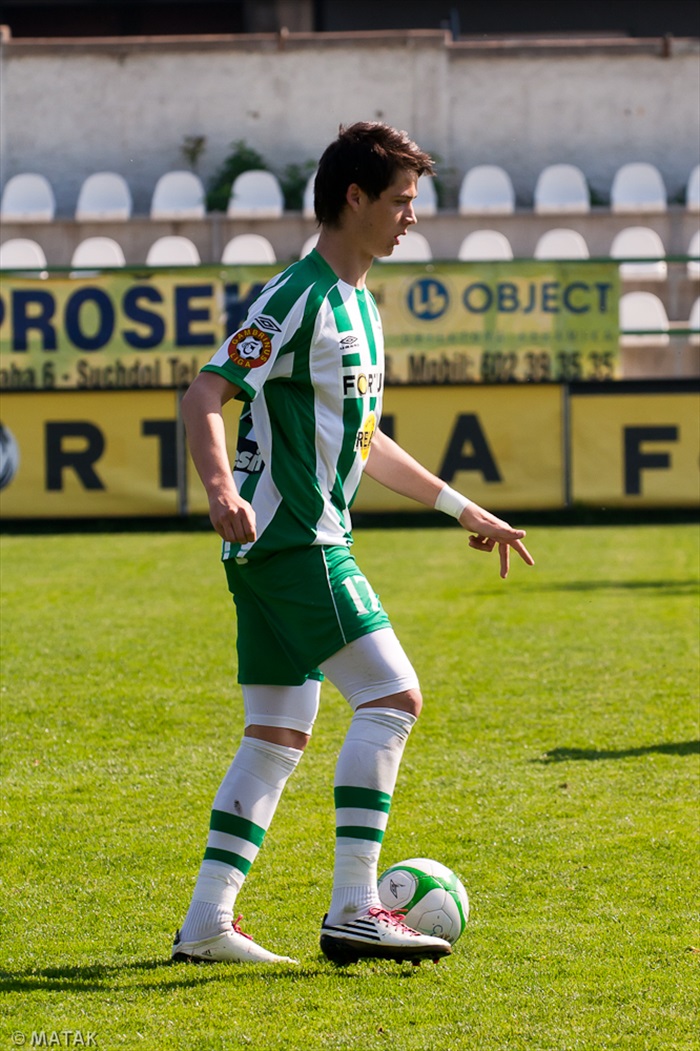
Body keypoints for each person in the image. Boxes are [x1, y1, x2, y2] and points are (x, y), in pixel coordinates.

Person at [172, 122, 534, 967]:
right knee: (393, 699)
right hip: (296, 540)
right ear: (355, 197)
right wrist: (222, 490)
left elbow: (363, 440)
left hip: (278, 548)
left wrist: (460, 508)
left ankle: (206, 924)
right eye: (401, 199)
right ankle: (355, 908)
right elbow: (204, 394)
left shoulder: (360, 306)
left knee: (276, 732)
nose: (411, 216)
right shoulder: (297, 295)